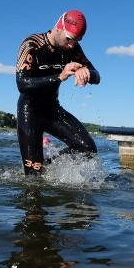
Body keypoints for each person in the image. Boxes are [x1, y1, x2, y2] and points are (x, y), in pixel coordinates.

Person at [16, 10, 100, 175]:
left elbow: (97, 76)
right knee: (34, 177)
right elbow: (22, 83)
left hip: (52, 109)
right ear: (58, 28)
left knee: (88, 149)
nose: (71, 45)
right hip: (29, 111)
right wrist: (59, 76)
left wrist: (85, 70)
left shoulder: (72, 48)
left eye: (76, 41)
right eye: (69, 39)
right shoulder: (32, 43)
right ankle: (38, 167)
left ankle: (48, 165)